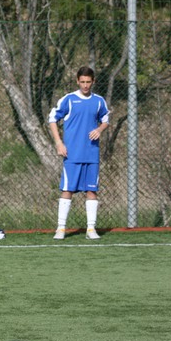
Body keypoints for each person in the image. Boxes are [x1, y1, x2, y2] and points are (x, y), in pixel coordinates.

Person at [48, 66, 110, 240]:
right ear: (77, 81)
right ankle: (61, 228)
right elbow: (52, 118)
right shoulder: (68, 100)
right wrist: (59, 142)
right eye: (82, 82)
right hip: (72, 154)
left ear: (93, 82)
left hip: (91, 154)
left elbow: (106, 119)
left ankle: (91, 229)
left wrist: (100, 129)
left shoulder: (99, 101)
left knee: (91, 191)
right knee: (67, 190)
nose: (85, 85)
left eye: (88, 82)